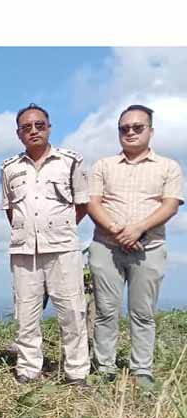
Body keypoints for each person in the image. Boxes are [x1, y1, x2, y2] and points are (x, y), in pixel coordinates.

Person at [86, 104, 183, 385]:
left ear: (151, 130)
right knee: (105, 311)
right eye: (124, 128)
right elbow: (92, 203)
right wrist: (118, 231)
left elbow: (171, 205)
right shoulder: (103, 165)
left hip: (149, 248)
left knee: (143, 313)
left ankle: (142, 370)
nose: (130, 132)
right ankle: (104, 368)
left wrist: (138, 229)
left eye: (137, 127)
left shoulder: (168, 166)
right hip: (106, 246)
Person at [1, 104, 91, 386]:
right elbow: (10, 209)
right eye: (26, 127)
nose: (33, 131)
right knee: (26, 313)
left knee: (72, 312)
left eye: (39, 125)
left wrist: (58, 229)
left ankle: (77, 372)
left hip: (63, 248)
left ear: (49, 127)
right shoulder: (9, 168)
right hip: (24, 249)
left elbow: (82, 204)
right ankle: (28, 369)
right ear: (19, 133)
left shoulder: (70, 161)